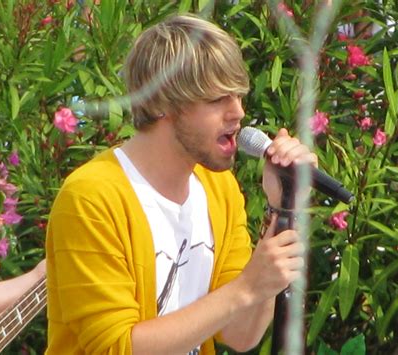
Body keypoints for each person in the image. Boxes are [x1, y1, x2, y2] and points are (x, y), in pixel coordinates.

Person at [45, 13, 317, 354]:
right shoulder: (91, 197)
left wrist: (282, 207)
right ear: (161, 102)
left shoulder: (220, 190)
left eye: (238, 96)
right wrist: (247, 287)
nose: (238, 112)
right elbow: (115, 347)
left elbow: (240, 334)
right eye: (217, 99)